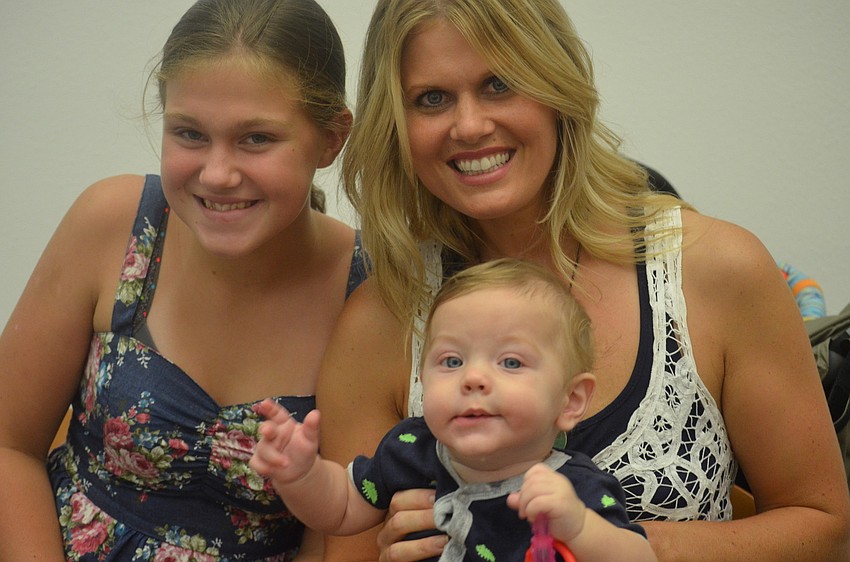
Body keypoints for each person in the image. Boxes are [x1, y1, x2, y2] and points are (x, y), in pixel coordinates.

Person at [315, 0, 850, 560]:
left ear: (556, 87)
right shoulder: (383, 318)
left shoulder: (714, 270)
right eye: (432, 98)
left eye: (499, 84)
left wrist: (608, 542)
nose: (469, 125)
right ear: (395, 123)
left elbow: (825, 529)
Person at [0, 0, 365, 560]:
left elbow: (340, 532)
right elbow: (9, 445)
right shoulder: (113, 222)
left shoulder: (366, 293)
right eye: (190, 134)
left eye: (257, 139)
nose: (218, 173)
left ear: (331, 138)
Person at [252, 259, 657, 562]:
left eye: (511, 363)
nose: (473, 378)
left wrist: (580, 528)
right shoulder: (410, 448)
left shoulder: (572, 489)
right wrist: (301, 474)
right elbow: (340, 509)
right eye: (451, 361)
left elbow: (640, 557)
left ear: (570, 401)